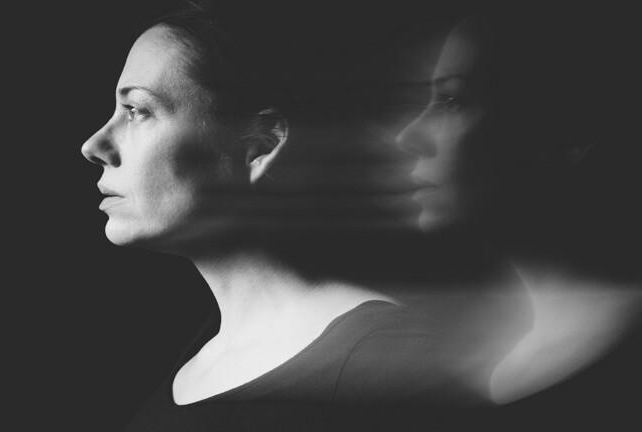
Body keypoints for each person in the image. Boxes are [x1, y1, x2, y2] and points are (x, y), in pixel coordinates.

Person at [80, 1, 482, 431]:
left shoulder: (389, 363)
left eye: (138, 111)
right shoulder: (206, 348)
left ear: (261, 147)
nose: (94, 145)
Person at [395, 10, 642, 414]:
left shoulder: (607, 366)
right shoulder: (521, 359)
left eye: (452, 101)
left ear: (564, 128)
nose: (409, 137)